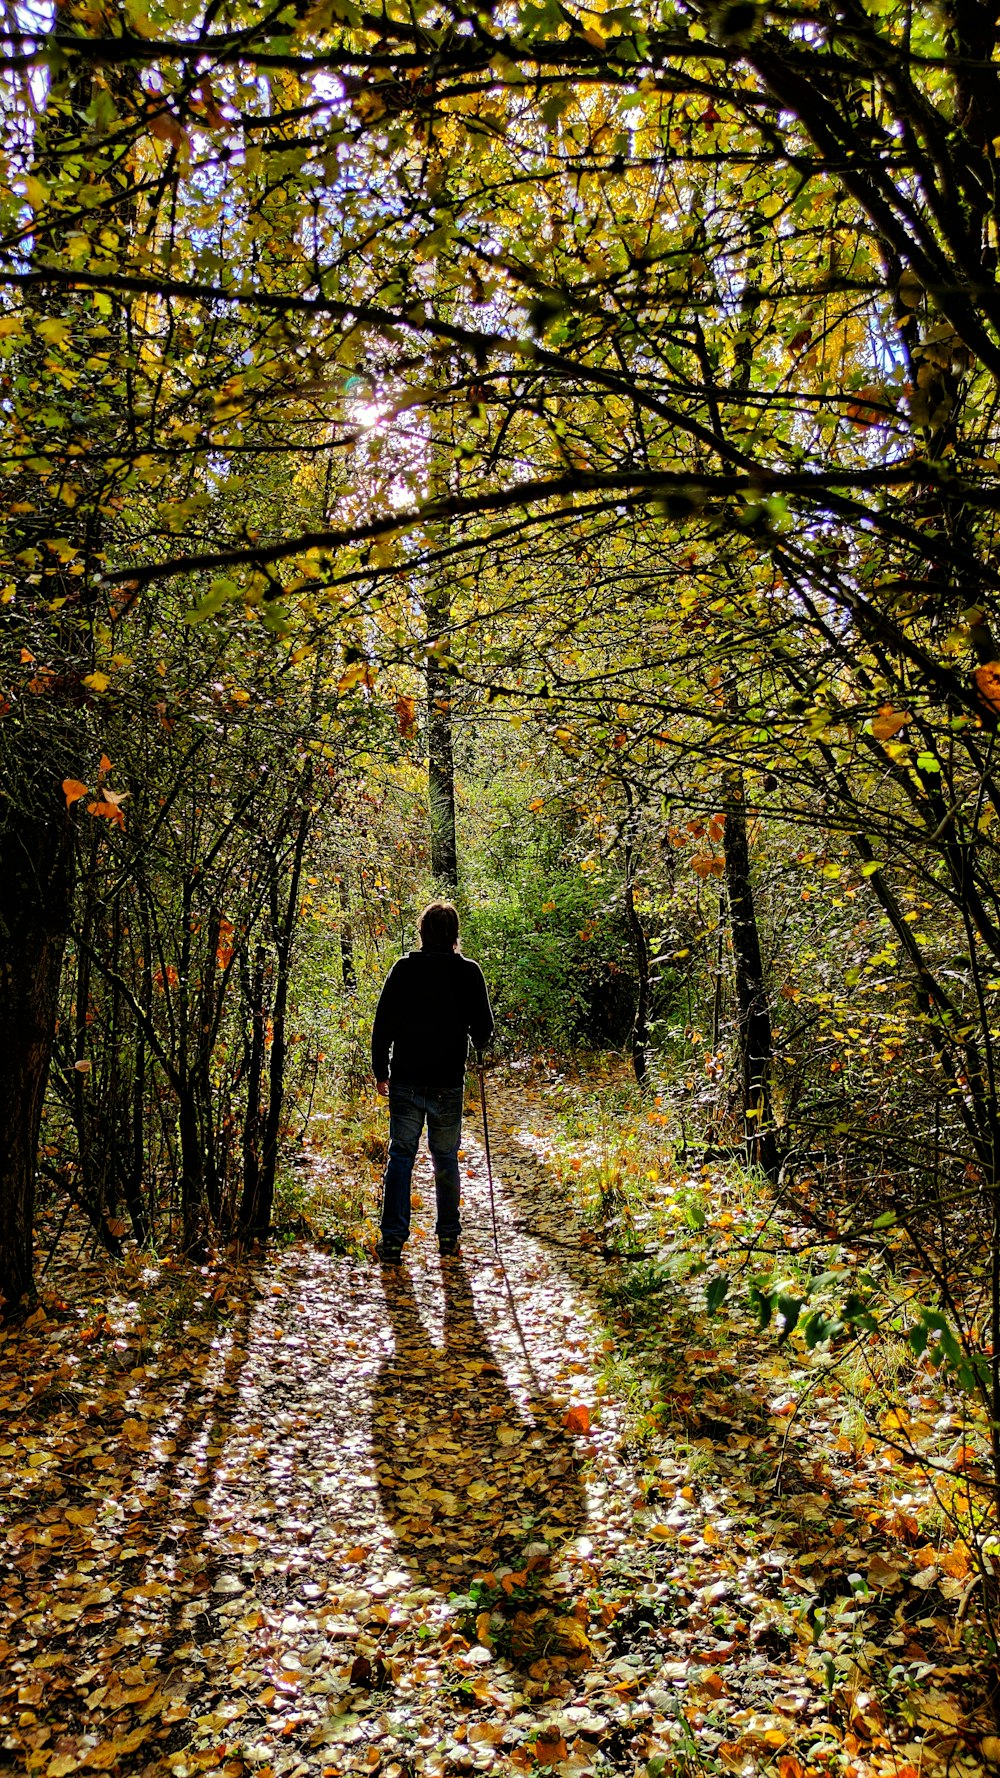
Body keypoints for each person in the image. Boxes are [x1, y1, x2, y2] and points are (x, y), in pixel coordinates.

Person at [371, 900, 494, 1263]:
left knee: (401, 1156)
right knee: (445, 1158)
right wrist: (471, 1031)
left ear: (422, 932)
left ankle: (393, 1240)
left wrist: (382, 1072)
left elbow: (383, 1026)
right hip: (447, 1082)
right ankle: (448, 1237)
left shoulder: (404, 969)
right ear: (454, 934)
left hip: (406, 1080)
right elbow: (484, 1031)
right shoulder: (468, 973)